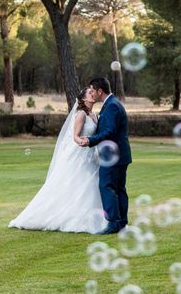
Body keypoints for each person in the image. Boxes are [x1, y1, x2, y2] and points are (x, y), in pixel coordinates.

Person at [8, 88, 107, 233]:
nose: (93, 95)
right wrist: (82, 142)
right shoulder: (81, 114)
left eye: (93, 93)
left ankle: (91, 216)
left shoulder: (93, 115)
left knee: (90, 185)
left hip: (91, 155)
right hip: (80, 155)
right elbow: (75, 136)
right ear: (83, 99)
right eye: (90, 94)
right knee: (78, 183)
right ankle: (71, 217)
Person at [80, 77, 132, 234]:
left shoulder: (111, 106)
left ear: (99, 91)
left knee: (107, 186)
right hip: (120, 155)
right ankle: (122, 221)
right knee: (119, 188)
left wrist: (90, 140)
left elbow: (109, 131)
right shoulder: (112, 103)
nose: (92, 94)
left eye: (93, 90)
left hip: (112, 156)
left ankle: (113, 223)